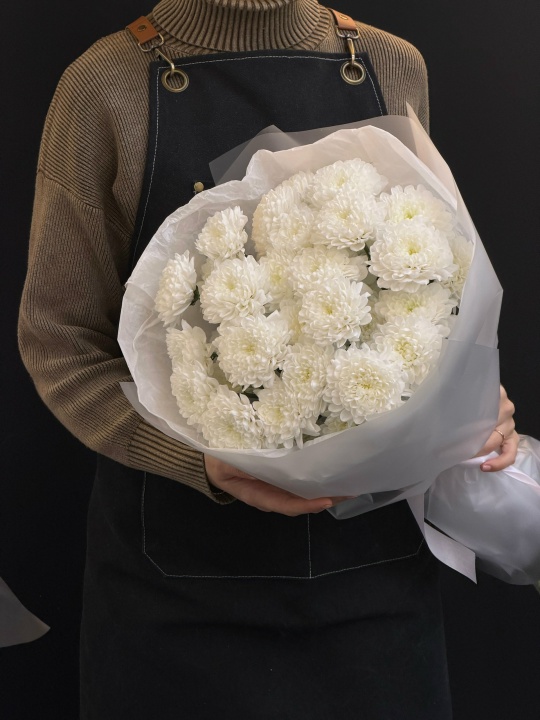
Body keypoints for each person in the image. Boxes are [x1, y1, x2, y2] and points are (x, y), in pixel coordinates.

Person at [18, 1, 518, 718]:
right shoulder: (105, 85)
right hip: (177, 601)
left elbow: (429, 292)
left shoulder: (389, 63)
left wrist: (465, 400)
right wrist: (197, 458)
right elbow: (59, 341)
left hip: (374, 599)